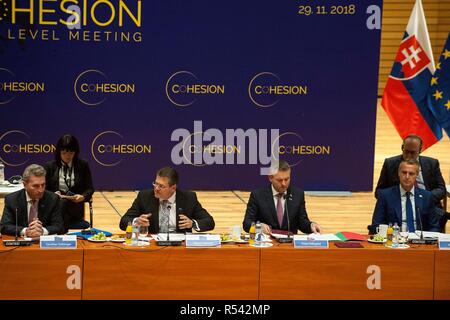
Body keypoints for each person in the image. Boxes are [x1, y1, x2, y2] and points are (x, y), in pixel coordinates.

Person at [375, 134, 446, 231]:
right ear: (402, 148)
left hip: (428, 205)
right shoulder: (390, 163)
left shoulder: (432, 163)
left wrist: (424, 198)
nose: (408, 156)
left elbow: (441, 189)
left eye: (412, 153)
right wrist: (392, 197)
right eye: (406, 151)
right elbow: (379, 191)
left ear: (420, 150)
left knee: (436, 220)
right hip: (397, 203)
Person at [119, 166, 215, 233]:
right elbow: (123, 222)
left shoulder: (188, 198)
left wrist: (192, 223)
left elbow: (209, 222)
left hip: (180, 247)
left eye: (161, 186)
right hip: (153, 245)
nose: (156, 188)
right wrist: (136, 222)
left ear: (173, 188)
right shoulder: (144, 196)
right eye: (155, 184)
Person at [242, 160, 321, 235]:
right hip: (266, 243)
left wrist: (311, 225)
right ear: (270, 178)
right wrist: (258, 227)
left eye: (286, 179)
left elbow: (302, 222)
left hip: (288, 245)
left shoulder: (298, 194)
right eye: (279, 180)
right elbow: (247, 224)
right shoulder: (258, 195)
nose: (284, 184)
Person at [369, 159, 440, 234]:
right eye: (404, 172)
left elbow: (434, 227)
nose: (407, 176)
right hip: (394, 240)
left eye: (411, 174)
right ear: (398, 173)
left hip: (420, 242)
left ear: (416, 175)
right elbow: (376, 224)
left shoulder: (427, 196)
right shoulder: (385, 195)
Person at [44, 134, 94, 232]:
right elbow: (44, 190)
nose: (67, 156)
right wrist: (52, 195)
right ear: (59, 152)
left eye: (71, 153)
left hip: (75, 207)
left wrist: (83, 196)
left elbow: (90, 188)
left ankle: (60, 231)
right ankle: (62, 231)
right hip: (54, 207)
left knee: (64, 203)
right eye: (64, 153)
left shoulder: (83, 165)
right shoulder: (49, 166)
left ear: (76, 152)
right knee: (61, 204)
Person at [0, 164, 64, 237]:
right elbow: (4, 227)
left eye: (43, 185)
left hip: (44, 244)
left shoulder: (53, 199)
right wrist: (26, 231)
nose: (41, 190)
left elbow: (59, 226)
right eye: (36, 186)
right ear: (24, 185)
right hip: (21, 244)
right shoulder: (12, 199)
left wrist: (42, 231)